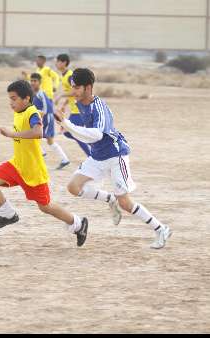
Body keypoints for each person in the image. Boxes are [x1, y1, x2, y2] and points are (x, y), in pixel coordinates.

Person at [54, 68, 172, 249]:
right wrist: (64, 118)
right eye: (72, 87)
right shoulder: (81, 103)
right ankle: (110, 199)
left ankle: (161, 228)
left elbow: (96, 135)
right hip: (97, 156)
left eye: (76, 88)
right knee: (73, 187)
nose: (73, 92)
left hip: (116, 156)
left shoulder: (98, 107)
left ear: (88, 87)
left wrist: (67, 124)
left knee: (125, 202)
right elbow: (86, 136)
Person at [0, 80, 88, 247]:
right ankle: (8, 215)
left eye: (14, 99)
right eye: (9, 99)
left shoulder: (31, 112)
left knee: (45, 207)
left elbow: (38, 132)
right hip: (17, 164)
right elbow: (29, 121)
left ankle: (78, 224)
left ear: (26, 98)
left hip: (33, 170)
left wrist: (11, 133)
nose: (11, 103)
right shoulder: (22, 110)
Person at [29, 73, 70, 170]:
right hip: (40, 118)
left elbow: (48, 108)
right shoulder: (32, 94)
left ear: (40, 82)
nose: (33, 83)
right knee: (41, 139)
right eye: (31, 81)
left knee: (46, 139)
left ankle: (43, 154)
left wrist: (40, 114)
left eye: (35, 81)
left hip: (47, 118)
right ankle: (63, 159)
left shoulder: (41, 93)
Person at [54, 54, 91, 156]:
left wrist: (60, 95)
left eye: (58, 61)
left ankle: (92, 155)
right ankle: (92, 148)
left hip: (79, 110)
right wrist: (64, 105)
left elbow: (75, 92)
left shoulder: (70, 76)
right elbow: (70, 92)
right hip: (75, 110)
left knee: (72, 133)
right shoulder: (64, 75)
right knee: (68, 133)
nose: (56, 63)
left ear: (64, 62)